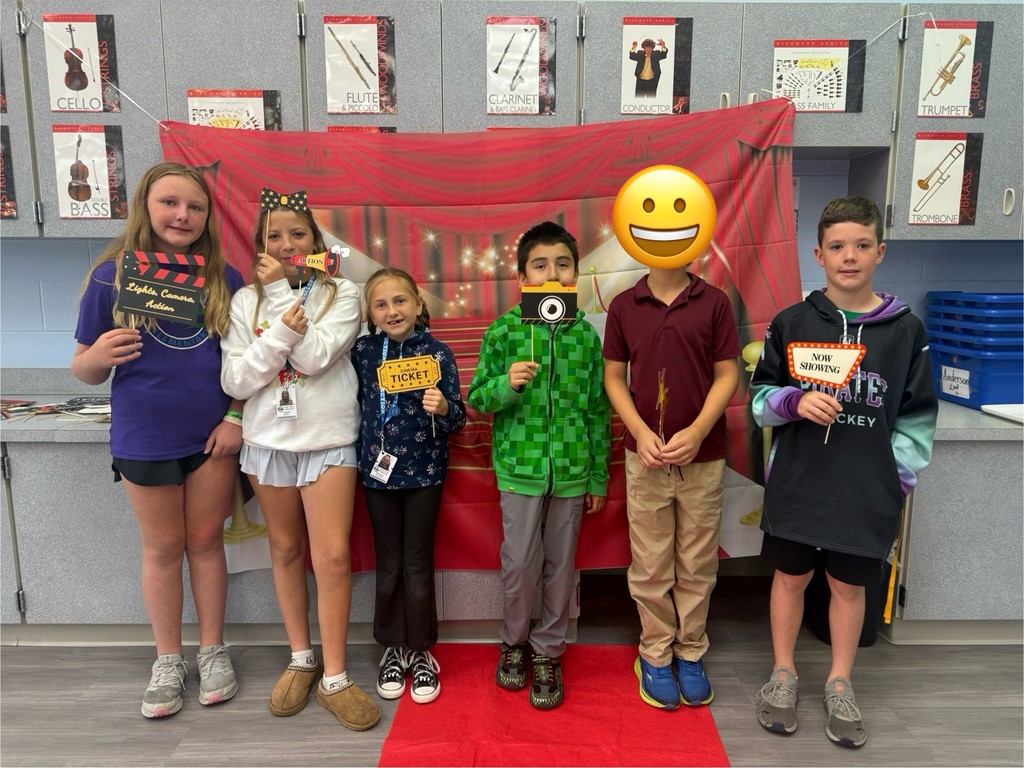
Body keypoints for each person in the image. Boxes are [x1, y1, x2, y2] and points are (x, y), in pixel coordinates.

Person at [750, 196, 937, 748]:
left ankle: (839, 680)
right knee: (790, 580)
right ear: (819, 254)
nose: (848, 257)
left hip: (865, 493)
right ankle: (783, 673)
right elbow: (758, 400)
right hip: (799, 485)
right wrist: (793, 402)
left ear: (880, 251)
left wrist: (894, 482)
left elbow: (919, 417)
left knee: (848, 587)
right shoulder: (792, 323)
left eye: (861, 246)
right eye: (837, 247)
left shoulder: (907, 331)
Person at [71, 162, 244, 719]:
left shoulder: (227, 280)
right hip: (144, 436)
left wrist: (235, 418)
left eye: (195, 207)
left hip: (212, 439)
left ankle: (213, 650)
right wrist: (97, 357)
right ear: (145, 205)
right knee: (163, 549)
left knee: (205, 543)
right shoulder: (111, 277)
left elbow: (252, 367)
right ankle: (168, 658)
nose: (182, 215)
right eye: (170, 203)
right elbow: (84, 369)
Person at [220, 192, 380, 731]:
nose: (286, 245)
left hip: (330, 440)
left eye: (297, 234)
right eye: (274, 236)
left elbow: (313, 358)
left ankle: (335, 676)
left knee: (332, 557)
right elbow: (237, 380)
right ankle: (301, 658)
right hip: (266, 443)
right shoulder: (245, 302)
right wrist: (275, 315)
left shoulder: (345, 293)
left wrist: (281, 304)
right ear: (260, 243)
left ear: (315, 241)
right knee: (285, 549)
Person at [468, 221, 610, 710]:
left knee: (560, 566)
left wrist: (596, 475)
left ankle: (548, 650)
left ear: (574, 275)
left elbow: (597, 410)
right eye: (540, 266)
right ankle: (514, 641)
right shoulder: (504, 331)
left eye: (563, 265)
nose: (552, 275)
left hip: (571, 472)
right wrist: (508, 383)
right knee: (520, 564)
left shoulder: (587, 339)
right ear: (523, 276)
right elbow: (478, 398)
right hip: (520, 470)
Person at [603, 230, 741, 711]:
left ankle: (691, 651)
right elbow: (613, 378)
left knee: (698, 561)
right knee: (651, 562)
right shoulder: (624, 305)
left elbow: (728, 374)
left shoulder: (715, 302)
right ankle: (655, 653)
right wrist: (639, 431)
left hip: (703, 458)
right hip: (645, 458)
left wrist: (701, 430)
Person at [352, 268, 466, 705]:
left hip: (425, 474)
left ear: (419, 304)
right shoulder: (362, 352)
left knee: (417, 563)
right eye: (381, 304)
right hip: (377, 473)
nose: (392, 310)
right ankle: (391, 647)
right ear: (370, 313)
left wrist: (444, 407)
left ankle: (421, 651)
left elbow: (459, 420)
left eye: (400, 301)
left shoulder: (438, 354)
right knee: (389, 564)